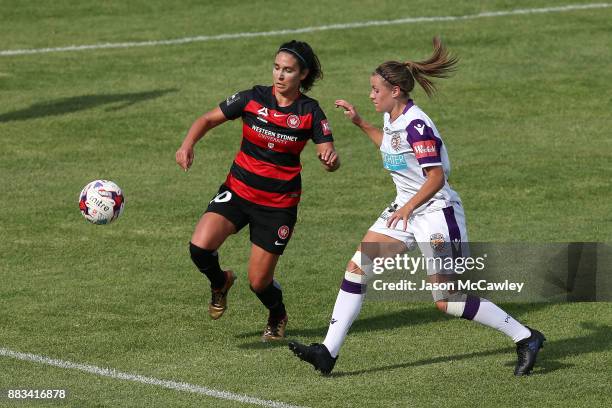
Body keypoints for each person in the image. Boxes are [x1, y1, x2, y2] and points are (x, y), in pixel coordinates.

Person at [288, 37, 545, 375]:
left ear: (395, 91)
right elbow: (393, 148)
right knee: (358, 267)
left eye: (375, 90)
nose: (370, 94)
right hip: (405, 210)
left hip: (436, 213)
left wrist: (408, 209)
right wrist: (361, 123)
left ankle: (526, 337)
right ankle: (328, 352)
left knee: (447, 300)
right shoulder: (392, 118)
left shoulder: (417, 125)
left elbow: (436, 177)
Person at [176, 40, 339, 341]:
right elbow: (208, 119)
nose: (279, 75)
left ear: (302, 75)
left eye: (288, 70)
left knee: (259, 282)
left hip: (277, 205)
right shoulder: (253, 98)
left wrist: (330, 160)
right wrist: (188, 144)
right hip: (237, 192)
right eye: (277, 68)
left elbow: (327, 153)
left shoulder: (310, 112)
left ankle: (277, 313)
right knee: (199, 247)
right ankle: (220, 282)